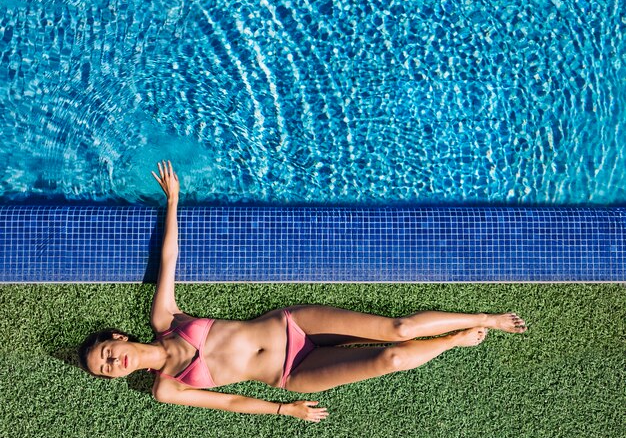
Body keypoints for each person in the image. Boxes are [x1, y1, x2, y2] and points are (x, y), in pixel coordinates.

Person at [79, 161, 527, 423]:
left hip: (292, 323)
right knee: (389, 358)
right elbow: (230, 401)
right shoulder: (166, 389)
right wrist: (284, 410)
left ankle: (484, 319)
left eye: (104, 354)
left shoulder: (166, 321)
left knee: (399, 327)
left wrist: (174, 201)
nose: (112, 363)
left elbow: (169, 261)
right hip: (291, 374)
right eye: (105, 371)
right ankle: (451, 341)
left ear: (116, 339)